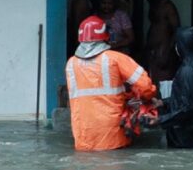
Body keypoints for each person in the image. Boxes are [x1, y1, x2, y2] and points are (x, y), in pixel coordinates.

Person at [65, 15, 157, 151]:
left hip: (83, 138)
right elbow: (146, 87)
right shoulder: (116, 58)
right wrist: (144, 100)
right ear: (106, 36)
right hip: (113, 138)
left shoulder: (71, 64)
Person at [142, 25, 193, 148]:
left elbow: (187, 107)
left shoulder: (187, 70)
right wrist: (163, 103)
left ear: (180, 46)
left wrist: (160, 120)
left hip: (185, 137)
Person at [142, 0, 181, 82]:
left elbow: (177, 30)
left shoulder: (167, 6)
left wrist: (168, 51)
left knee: (164, 83)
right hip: (153, 50)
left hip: (164, 52)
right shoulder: (152, 5)